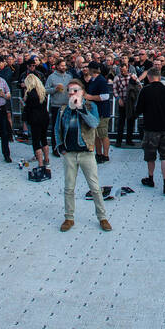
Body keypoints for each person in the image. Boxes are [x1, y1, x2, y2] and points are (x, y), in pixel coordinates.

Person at [54, 79, 111, 232]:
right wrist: (61, 147)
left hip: (86, 153)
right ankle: (69, 218)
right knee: (69, 188)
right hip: (70, 154)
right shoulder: (63, 109)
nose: (72, 93)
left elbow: (94, 124)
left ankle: (102, 217)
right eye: (70, 91)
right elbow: (57, 129)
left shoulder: (90, 106)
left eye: (75, 90)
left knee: (95, 187)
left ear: (82, 92)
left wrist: (81, 108)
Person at [136, 63, 165, 196]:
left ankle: (151, 178)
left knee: (150, 156)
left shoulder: (145, 90)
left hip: (150, 128)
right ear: (159, 77)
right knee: (164, 157)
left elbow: (138, 109)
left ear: (148, 77)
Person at [83, 62, 113, 163]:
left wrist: (90, 97)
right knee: (96, 135)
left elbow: (105, 96)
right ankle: (99, 154)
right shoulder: (93, 80)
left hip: (102, 112)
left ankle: (105, 155)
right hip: (95, 112)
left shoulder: (101, 80)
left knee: (103, 134)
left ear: (92, 69)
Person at [22, 71, 52, 174]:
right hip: (44, 117)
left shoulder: (30, 94)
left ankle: (40, 164)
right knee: (43, 139)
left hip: (34, 119)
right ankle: (46, 160)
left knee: (36, 141)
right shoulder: (42, 91)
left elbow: (28, 108)